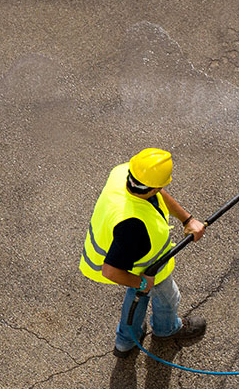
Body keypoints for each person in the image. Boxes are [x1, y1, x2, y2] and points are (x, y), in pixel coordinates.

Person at [80, 148, 207, 357]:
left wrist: (187, 219)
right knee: (167, 297)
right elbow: (111, 271)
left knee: (138, 298)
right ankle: (167, 329)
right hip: (144, 267)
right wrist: (141, 282)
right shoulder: (132, 226)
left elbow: (158, 193)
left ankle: (125, 342)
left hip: (132, 259)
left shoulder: (123, 173)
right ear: (154, 187)